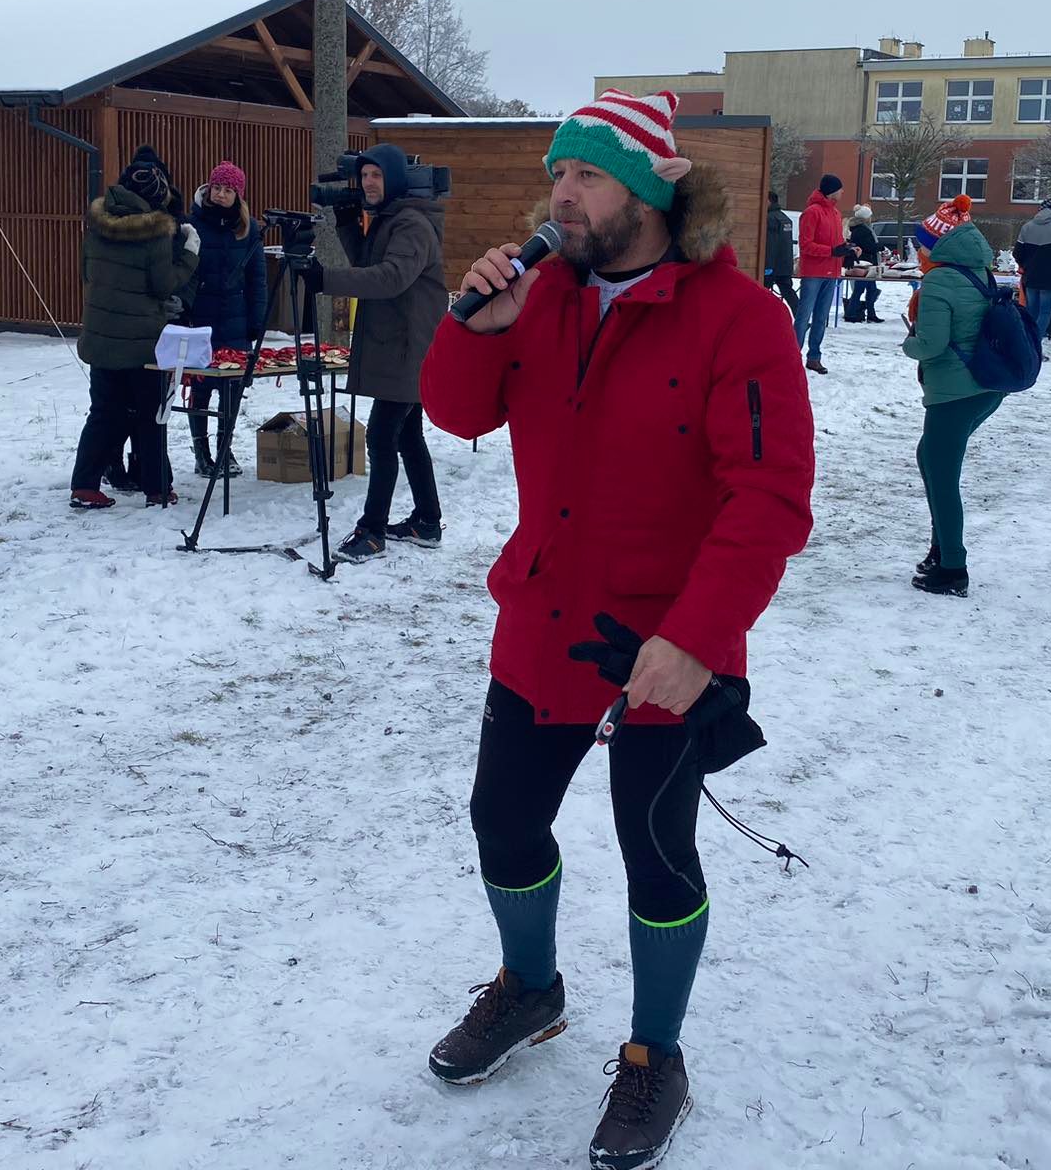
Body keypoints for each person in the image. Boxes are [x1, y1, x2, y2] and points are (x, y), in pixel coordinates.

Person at [418, 89, 815, 1170]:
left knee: (655, 850)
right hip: (544, 619)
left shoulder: (738, 317)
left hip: (668, 643)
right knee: (503, 824)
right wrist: (473, 325)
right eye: (558, 172)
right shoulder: (539, 295)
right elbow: (455, 412)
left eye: (587, 174)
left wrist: (697, 640)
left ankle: (653, 1057)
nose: (562, 193)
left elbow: (769, 497)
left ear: (648, 191)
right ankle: (530, 987)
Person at [315, 143, 448, 561]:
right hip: (405, 344)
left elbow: (389, 278)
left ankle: (372, 531)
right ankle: (427, 521)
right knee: (407, 436)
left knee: (381, 436)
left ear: (395, 178)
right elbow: (368, 261)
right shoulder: (393, 218)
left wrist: (324, 279)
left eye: (377, 175)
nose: (369, 183)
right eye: (365, 175)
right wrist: (346, 223)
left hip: (409, 346)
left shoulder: (412, 224)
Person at [70, 154, 200, 508]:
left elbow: (86, 273)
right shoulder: (154, 232)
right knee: (151, 415)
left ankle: (84, 485)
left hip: (99, 338)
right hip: (142, 342)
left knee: (103, 413)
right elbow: (164, 285)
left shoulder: (97, 225)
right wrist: (190, 254)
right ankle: (158, 487)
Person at [901, 220, 1003, 596]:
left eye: (921, 245)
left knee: (942, 475)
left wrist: (908, 343)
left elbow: (932, 345)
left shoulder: (939, 280)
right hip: (986, 386)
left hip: (955, 391)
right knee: (929, 457)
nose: (917, 251)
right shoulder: (979, 270)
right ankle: (941, 548)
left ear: (935, 246)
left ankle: (952, 567)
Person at [184, 161, 268, 478]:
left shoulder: (247, 229)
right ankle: (201, 451)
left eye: (228, 190)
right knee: (201, 386)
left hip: (235, 318)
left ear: (238, 195)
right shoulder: (192, 224)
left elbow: (257, 279)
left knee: (231, 388)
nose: (221, 194)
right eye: (217, 188)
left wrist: (257, 320)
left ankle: (224, 447)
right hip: (200, 317)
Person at [794, 173, 852, 374]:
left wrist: (846, 249)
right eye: (840, 188)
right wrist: (832, 251)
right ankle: (793, 356)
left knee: (821, 317)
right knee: (804, 316)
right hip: (814, 272)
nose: (842, 192)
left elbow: (835, 242)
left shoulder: (835, 213)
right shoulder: (812, 213)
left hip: (831, 271)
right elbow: (806, 245)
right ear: (831, 191)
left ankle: (814, 357)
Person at [1012, 200, 1051, 346]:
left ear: (1039, 209)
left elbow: (1017, 253)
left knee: (1031, 311)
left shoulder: (1027, 227)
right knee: (1045, 312)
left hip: (1031, 276)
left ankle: (1027, 341)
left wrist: (1025, 266)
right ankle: (1034, 343)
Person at [843, 206, 884, 323]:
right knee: (861, 290)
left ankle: (869, 313)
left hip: (863, 263)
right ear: (865, 218)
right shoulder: (863, 230)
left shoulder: (857, 229)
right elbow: (868, 247)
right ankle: (852, 313)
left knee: (870, 289)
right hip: (865, 264)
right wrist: (880, 246)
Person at [764, 192, 797, 308]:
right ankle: (800, 317)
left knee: (760, 294)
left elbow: (770, 245)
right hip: (785, 265)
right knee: (789, 293)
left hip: (771, 266)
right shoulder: (785, 218)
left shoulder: (769, 219)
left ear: (768, 201)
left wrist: (767, 267)